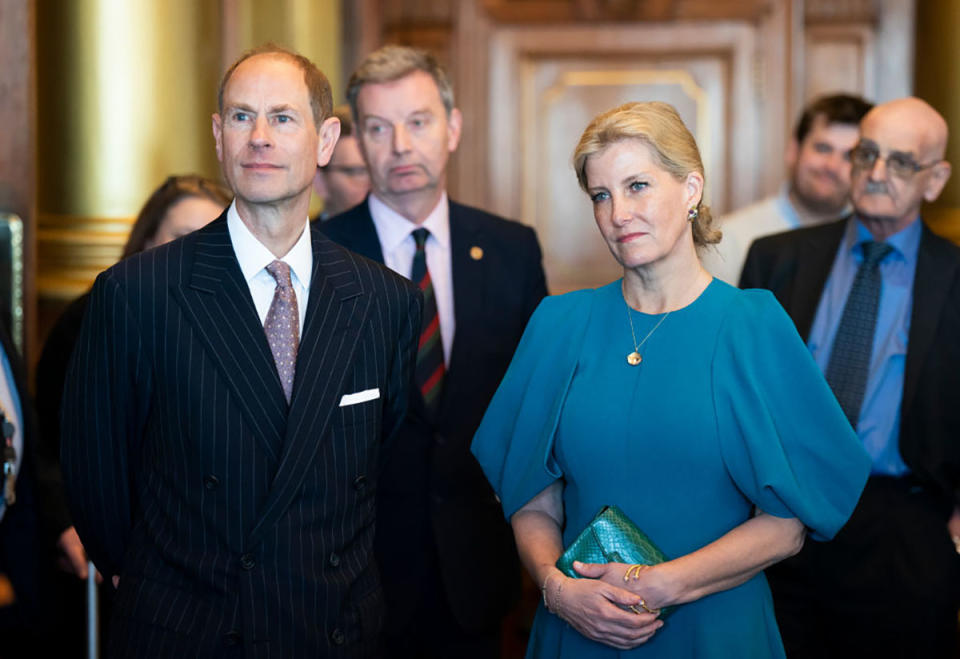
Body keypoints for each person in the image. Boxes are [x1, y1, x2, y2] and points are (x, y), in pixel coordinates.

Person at [471, 101, 871, 657]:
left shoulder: (752, 326)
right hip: (580, 627)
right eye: (601, 195)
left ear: (691, 189)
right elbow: (532, 502)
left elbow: (786, 524)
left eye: (637, 186)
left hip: (714, 630)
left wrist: (663, 584)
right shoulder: (559, 325)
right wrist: (556, 589)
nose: (617, 214)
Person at [61, 44, 421, 657]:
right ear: (218, 137)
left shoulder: (386, 300)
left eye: (283, 117)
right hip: (189, 631)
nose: (259, 137)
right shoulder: (138, 292)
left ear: (326, 140)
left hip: (331, 629)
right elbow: (96, 481)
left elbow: (383, 469)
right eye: (240, 117)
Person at [322, 44, 547, 657]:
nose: (400, 145)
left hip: (479, 567)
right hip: (349, 574)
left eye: (418, 122)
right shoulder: (315, 255)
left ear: (452, 128)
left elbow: (537, 403)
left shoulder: (511, 250)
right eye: (378, 127)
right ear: (356, 141)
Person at [741, 97, 960, 658]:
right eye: (867, 154)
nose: (876, 173)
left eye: (901, 162)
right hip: (782, 518)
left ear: (935, 180)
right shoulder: (777, 259)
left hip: (905, 528)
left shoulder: (954, 276)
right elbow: (737, 393)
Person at [34, 174, 230, 652]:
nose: (198, 253)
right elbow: (51, 441)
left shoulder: (242, 330)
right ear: (147, 241)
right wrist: (71, 524)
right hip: (120, 562)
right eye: (182, 237)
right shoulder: (93, 316)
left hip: (216, 566)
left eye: (214, 239)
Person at [702, 94, 872, 284]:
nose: (832, 166)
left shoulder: (871, 244)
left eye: (850, 156)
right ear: (793, 150)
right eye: (823, 148)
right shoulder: (729, 241)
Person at [313, 105, 370, 219]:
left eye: (375, 170)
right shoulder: (298, 237)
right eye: (357, 172)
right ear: (320, 182)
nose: (373, 184)